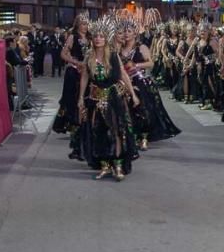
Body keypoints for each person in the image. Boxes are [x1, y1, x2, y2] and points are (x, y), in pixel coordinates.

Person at [73, 15, 140, 181]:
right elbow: (84, 78)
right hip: (95, 99)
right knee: (98, 132)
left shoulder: (113, 55)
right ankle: (104, 165)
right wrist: (81, 97)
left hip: (113, 99)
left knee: (116, 131)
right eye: (95, 36)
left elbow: (123, 75)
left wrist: (133, 94)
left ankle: (117, 166)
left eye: (101, 36)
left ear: (106, 38)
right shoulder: (88, 56)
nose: (98, 39)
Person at [116, 18, 179, 150]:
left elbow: (151, 63)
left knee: (143, 110)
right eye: (124, 31)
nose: (126, 34)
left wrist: (137, 65)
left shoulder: (141, 47)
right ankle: (133, 137)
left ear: (135, 33)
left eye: (129, 31)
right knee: (128, 111)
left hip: (140, 81)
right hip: (125, 83)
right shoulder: (119, 48)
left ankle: (144, 138)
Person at [54, 14, 90, 134]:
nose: (85, 26)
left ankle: (85, 122)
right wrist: (76, 62)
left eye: (86, 24)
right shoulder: (72, 37)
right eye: (83, 24)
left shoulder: (91, 38)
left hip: (87, 71)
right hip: (74, 71)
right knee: (71, 97)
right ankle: (72, 124)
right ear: (78, 25)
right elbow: (63, 54)